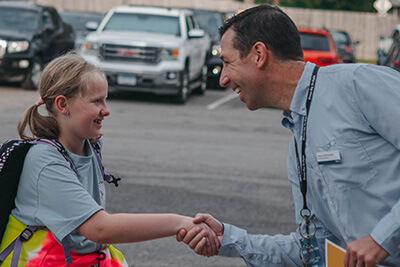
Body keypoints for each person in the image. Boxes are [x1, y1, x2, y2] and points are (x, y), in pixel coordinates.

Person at [177, 4, 400, 267]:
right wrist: (229, 238)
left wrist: (381, 238)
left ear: (259, 55)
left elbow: (375, 243)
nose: (223, 79)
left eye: (227, 62)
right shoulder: (299, 143)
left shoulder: (358, 84)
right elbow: (312, 250)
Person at [0, 52, 219, 266]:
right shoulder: (45, 161)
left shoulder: (91, 144)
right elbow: (100, 228)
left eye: (105, 100)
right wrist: (179, 222)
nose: (106, 110)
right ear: (63, 105)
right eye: (97, 101)